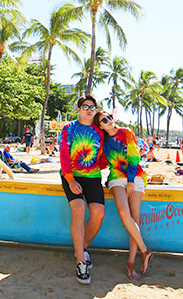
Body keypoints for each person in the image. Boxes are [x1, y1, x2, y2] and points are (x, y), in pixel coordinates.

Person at [94, 110, 154, 280]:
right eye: (105, 120)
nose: (110, 121)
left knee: (135, 218)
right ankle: (145, 250)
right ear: (100, 126)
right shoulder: (104, 142)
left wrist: (130, 181)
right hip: (116, 179)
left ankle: (131, 262)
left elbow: (134, 158)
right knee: (124, 212)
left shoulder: (126, 132)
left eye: (110, 117)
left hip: (134, 177)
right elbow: (101, 163)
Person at [59, 94, 107, 284]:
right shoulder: (69, 128)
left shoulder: (99, 132)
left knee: (99, 213)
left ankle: (81, 247)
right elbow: (64, 154)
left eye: (92, 107)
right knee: (79, 208)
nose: (89, 110)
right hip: (71, 175)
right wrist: (70, 179)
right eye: (85, 106)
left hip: (93, 177)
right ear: (79, 109)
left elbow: (102, 157)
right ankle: (81, 262)